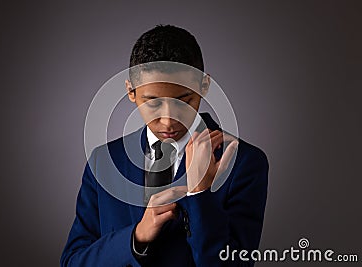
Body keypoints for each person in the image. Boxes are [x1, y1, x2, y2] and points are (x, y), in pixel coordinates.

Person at [60, 24, 268, 267]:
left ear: (204, 86)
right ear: (131, 91)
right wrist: (136, 238)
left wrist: (200, 193)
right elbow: (73, 262)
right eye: (153, 103)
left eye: (184, 100)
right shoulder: (104, 161)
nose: (169, 119)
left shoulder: (245, 163)